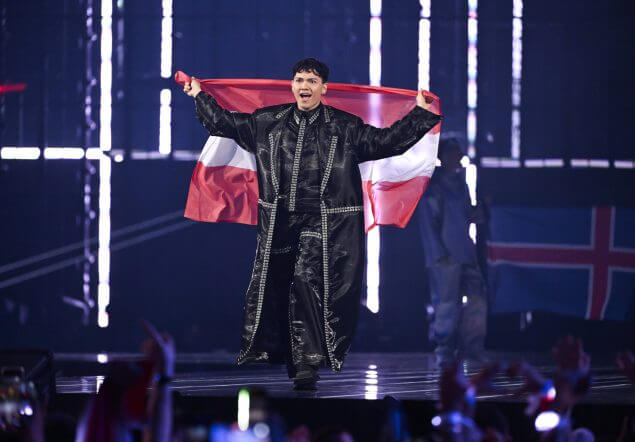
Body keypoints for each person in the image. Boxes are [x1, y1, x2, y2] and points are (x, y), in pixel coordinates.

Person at [183, 58, 441, 389]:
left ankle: (306, 364)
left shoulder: (344, 126)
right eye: (299, 80)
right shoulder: (267, 122)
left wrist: (420, 113)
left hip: (324, 224)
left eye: (311, 81)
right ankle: (295, 360)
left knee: (305, 283)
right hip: (280, 223)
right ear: (292, 85)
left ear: (323, 88)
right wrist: (199, 95)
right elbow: (224, 124)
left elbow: (386, 141)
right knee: (278, 289)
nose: (304, 86)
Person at [416, 138, 487, 367]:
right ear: (442, 157)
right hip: (445, 257)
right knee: (446, 303)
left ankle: (474, 347)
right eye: (451, 153)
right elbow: (428, 224)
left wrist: (481, 210)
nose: (456, 157)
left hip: (466, 253)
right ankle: (444, 349)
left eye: (458, 153)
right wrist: (438, 254)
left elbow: (467, 216)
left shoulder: (461, 185)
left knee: (477, 299)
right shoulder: (434, 188)